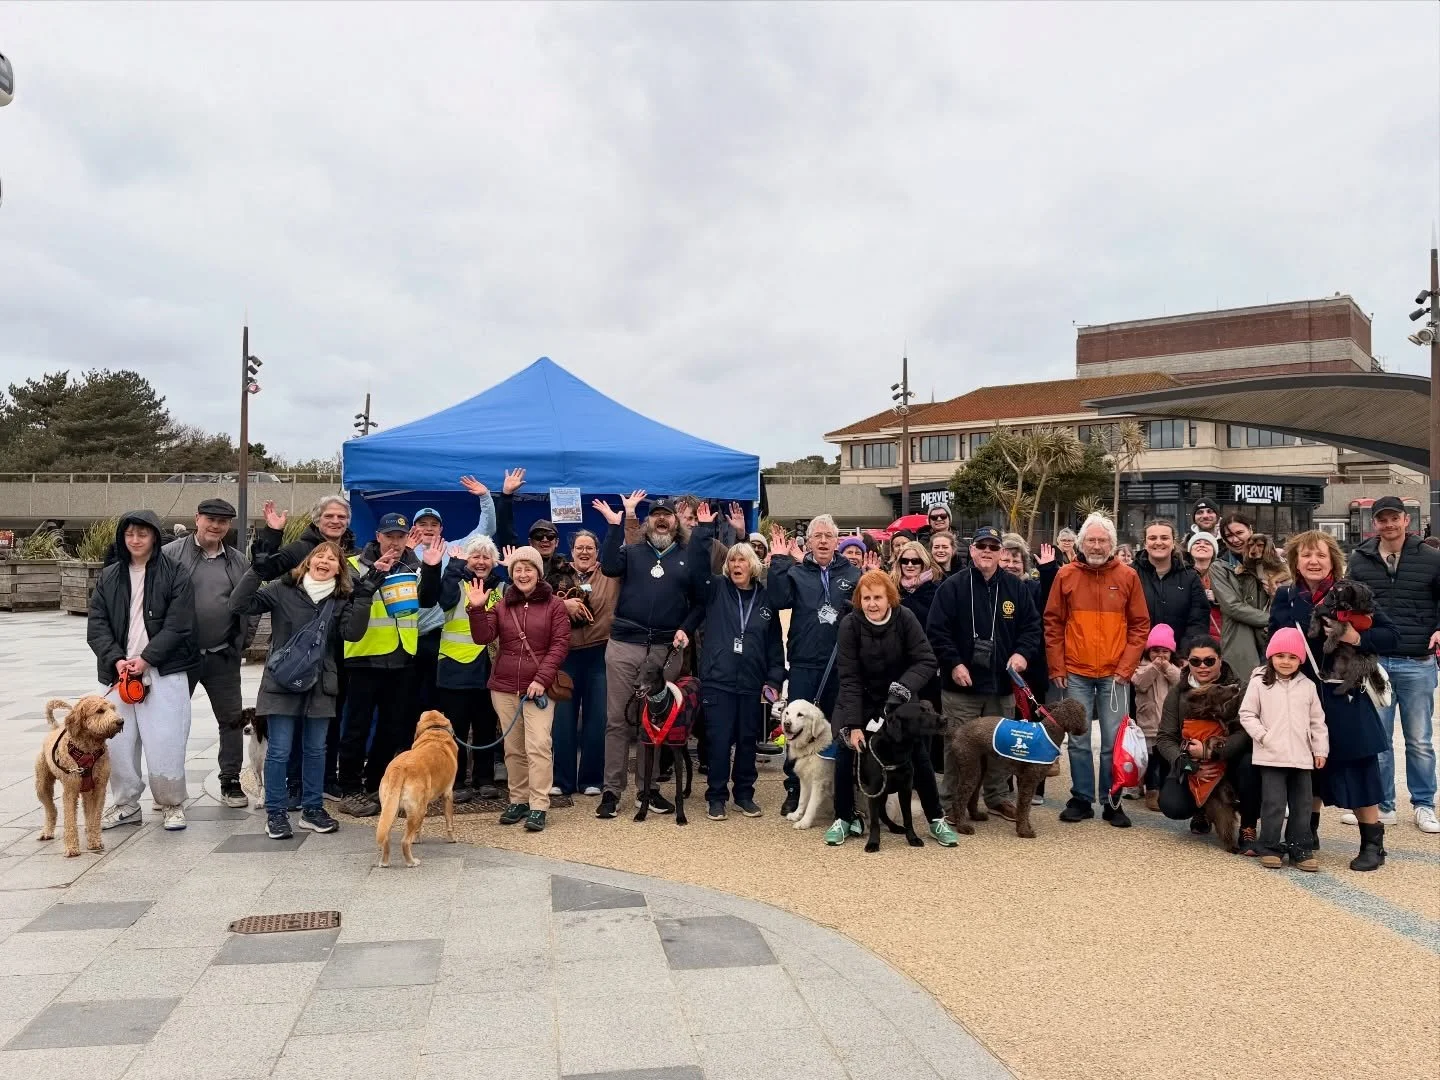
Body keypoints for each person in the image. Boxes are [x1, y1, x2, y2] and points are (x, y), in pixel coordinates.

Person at [1268, 530, 1399, 870]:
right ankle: (1305, 835)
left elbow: (1390, 635)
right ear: (1295, 561)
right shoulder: (1285, 597)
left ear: (1332, 561)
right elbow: (1274, 639)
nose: (1313, 561)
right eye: (1306, 555)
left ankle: (1373, 843)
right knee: (1306, 766)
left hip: (1346, 693)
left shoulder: (1350, 593)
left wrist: (1358, 636)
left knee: (1358, 766)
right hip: (1302, 695)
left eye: (1321, 556)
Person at [229, 541, 363, 839]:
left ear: (340, 569)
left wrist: (363, 598)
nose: (325, 560)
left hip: (321, 684)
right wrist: (256, 571)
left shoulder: (341, 599)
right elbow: (238, 604)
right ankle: (276, 813)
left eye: (333, 558)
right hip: (282, 683)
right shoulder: (281, 590)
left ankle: (313, 808)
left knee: (317, 750)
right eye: (320, 555)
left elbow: (353, 633)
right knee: (279, 751)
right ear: (308, 561)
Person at [87, 510, 198, 833]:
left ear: (154, 537)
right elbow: (97, 625)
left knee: (166, 739)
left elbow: (179, 624)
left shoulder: (175, 573)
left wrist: (147, 658)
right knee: (118, 743)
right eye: (129, 534)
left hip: (164, 670)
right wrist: (116, 659)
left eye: (142, 534)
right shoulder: (109, 576)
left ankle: (172, 803)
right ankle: (126, 804)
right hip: (119, 674)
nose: (135, 540)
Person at [831, 569, 959, 848]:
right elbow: (849, 678)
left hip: (899, 698)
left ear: (889, 598)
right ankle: (844, 817)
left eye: (878, 597)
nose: (872, 604)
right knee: (846, 752)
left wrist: (900, 689)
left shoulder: (905, 618)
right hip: (859, 699)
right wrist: (853, 725)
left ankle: (936, 818)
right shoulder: (850, 625)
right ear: (859, 600)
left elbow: (926, 660)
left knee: (918, 756)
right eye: (866, 598)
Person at [595, 492, 703, 819]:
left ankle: (648, 788)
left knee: (655, 721)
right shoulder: (633, 551)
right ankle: (612, 790)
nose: (661, 519)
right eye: (655, 515)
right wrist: (615, 526)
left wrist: (687, 626)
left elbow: (702, 601)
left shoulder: (688, 555)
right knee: (617, 721)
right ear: (647, 521)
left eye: (666, 515)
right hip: (624, 645)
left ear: (675, 522)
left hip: (665, 650)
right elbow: (610, 566)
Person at [927, 526, 1041, 824]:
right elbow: (937, 631)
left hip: (1001, 685)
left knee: (1001, 746)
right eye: (982, 546)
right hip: (961, 685)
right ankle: (951, 802)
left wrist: (1021, 654)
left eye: (993, 546)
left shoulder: (1017, 588)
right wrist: (953, 663)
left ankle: (996, 797)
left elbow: (1032, 628)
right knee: (957, 746)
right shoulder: (952, 587)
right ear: (972, 550)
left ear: (1002, 552)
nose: (987, 551)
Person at [1043, 513, 1150, 826]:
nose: (1097, 545)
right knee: (1077, 739)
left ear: (1112, 544)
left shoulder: (1128, 576)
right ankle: (1081, 798)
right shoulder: (1065, 574)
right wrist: (1057, 665)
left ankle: (1112, 800)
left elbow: (1140, 624)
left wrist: (1127, 667)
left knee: (1113, 742)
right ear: (1080, 543)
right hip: (1076, 670)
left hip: (1115, 673)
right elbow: (1052, 622)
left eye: (1103, 540)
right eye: (1091, 539)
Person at [1343, 495, 1440, 834]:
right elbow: (1349, 600)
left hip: (1418, 660)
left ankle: (1424, 804)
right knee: (1378, 739)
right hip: (1374, 661)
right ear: (1375, 524)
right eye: (1382, 519)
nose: (1388, 524)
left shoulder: (1432, 558)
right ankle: (1383, 803)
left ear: (1405, 521)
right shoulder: (1360, 558)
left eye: (1394, 518)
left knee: (1419, 740)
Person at [336, 514, 441, 816]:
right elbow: (349, 603)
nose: (395, 542)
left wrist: (432, 568)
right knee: (356, 726)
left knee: (392, 727)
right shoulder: (355, 564)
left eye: (400, 536)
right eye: (389, 536)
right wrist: (374, 575)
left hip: (402, 657)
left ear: (408, 536)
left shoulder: (414, 566)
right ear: (378, 536)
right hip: (365, 657)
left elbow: (429, 600)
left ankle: (375, 783)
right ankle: (351, 787)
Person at [253, 494, 356, 796]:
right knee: (292, 724)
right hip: (296, 650)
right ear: (317, 519)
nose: (335, 521)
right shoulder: (300, 548)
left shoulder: (352, 551)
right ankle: (294, 783)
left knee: (325, 719)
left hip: (333, 652)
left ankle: (324, 780)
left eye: (341, 517)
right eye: (329, 516)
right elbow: (266, 569)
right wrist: (272, 534)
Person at [691, 504, 786, 819]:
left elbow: (774, 644)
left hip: (751, 682)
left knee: (747, 741)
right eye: (732, 559)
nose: (735, 564)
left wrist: (773, 680)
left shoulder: (765, 600)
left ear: (754, 565)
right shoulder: (716, 590)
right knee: (718, 741)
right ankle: (716, 796)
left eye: (742, 559)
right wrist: (704, 531)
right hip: (718, 679)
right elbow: (696, 571)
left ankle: (744, 794)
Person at [766, 513, 863, 817]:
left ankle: (840, 790)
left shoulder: (853, 572)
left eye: (828, 536)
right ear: (807, 541)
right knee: (795, 726)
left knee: (837, 729)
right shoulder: (798, 572)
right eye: (817, 536)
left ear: (837, 541)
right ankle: (795, 790)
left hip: (841, 664)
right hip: (805, 662)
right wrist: (780, 561)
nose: (822, 541)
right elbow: (778, 599)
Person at [469, 545, 570, 833]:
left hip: (539, 688)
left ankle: (539, 805)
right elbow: (483, 637)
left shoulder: (555, 606)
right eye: (517, 569)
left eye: (529, 568)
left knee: (538, 746)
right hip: (503, 686)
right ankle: (518, 800)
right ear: (511, 573)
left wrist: (541, 679)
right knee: (513, 749)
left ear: (538, 573)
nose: (523, 574)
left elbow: (560, 645)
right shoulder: (501, 604)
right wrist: (476, 608)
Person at [161, 498, 250, 809]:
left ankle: (230, 780)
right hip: (179, 658)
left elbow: (248, 605)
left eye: (223, 521)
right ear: (197, 518)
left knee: (232, 720)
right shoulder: (170, 555)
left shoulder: (238, 560)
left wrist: (240, 644)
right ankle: (167, 783)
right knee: (171, 721)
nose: (216, 526)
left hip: (222, 655)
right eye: (210, 519)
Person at [1237, 628, 1329, 870]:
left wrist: (1320, 750)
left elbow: (1317, 721)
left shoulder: (1307, 685)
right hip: (1271, 756)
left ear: (1300, 659)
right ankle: (1269, 846)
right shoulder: (1259, 682)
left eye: (1292, 657)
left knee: (1302, 804)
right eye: (1280, 656)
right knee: (1274, 804)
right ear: (1271, 657)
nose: (1286, 662)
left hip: (1302, 757)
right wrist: (1264, 737)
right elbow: (1247, 714)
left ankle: (1300, 848)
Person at [1154, 635, 1252, 844]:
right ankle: (1202, 811)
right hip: (1191, 761)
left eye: (1209, 660)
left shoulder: (1240, 688)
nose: (1202, 667)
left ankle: (1247, 824)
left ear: (1220, 659)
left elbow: (1244, 732)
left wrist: (1212, 752)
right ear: (1187, 662)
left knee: (1249, 768)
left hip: (1230, 759)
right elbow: (1164, 738)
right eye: (1195, 661)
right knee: (1173, 805)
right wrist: (1188, 763)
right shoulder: (1177, 693)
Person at [435, 536, 507, 802]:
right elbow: (443, 600)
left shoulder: (501, 586)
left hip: (489, 669)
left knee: (486, 726)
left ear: (493, 562)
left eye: (486, 556)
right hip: (455, 667)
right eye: (475, 556)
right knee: (456, 730)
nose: (480, 561)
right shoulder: (455, 583)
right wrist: (454, 566)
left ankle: (484, 778)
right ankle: (456, 781)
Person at [551, 528, 619, 798]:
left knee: (597, 719)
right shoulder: (558, 574)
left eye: (589, 547)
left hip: (599, 654)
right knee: (563, 719)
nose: (584, 552)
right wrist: (563, 607)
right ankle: (562, 780)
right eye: (579, 547)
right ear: (572, 550)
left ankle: (592, 778)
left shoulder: (610, 575)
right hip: (565, 655)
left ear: (597, 551)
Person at [1135, 520, 1209, 649]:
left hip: (1180, 659)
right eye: (1152, 538)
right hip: (1139, 659)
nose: (1158, 542)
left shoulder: (1190, 577)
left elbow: (1198, 621)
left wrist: (1184, 655)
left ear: (1173, 542)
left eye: (1164, 538)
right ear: (1145, 543)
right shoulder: (1131, 574)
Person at [1131, 624, 1181, 810]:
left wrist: (1167, 667)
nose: (1160, 655)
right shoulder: (1141, 668)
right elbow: (1140, 684)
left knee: (1166, 758)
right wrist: (1153, 667)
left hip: (1168, 725)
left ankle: (1164, 789)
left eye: (1164, 651)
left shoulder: (1175, 668)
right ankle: (1151, 789)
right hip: (1148, 723)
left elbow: (1180, 683)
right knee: (1151, 760)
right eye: (1155, 651)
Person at [1210, 529, 1273, 679]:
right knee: (1245, 685)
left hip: (1267, 634)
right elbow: (1231, 606)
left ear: (1250, 531)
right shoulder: (1220, 567)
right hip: (1240, 634)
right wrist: (1272, 619)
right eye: (1229, 536)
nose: (1235, 539)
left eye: (1239, 533)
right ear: (1224, 540)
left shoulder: (1270, 563)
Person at [1187, 531, 1224, 640]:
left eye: (1207, 544)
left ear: (1214, 551)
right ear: (1190, 549)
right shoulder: (1183, 574)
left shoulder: (1223, 574)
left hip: (1220, 632)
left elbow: (1236, 601)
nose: (1202, 545)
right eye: (1197, 543)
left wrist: (1218, 597)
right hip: (1193, 632)